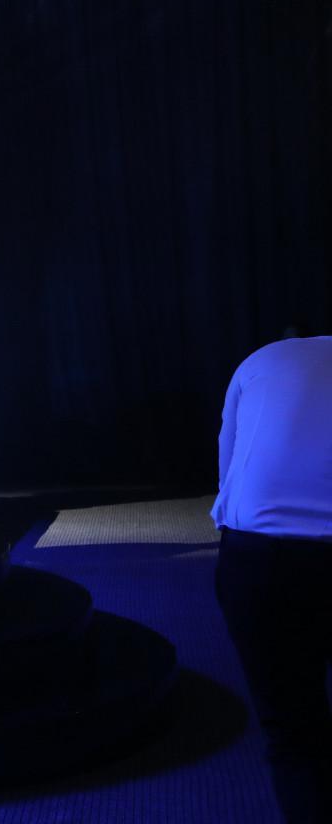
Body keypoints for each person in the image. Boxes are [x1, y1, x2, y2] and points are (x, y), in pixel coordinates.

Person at [211, 336, 332, 824]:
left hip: (260, 561)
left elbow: (227, 467)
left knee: (294, 736)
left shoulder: (261, 359)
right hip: (263, 556)